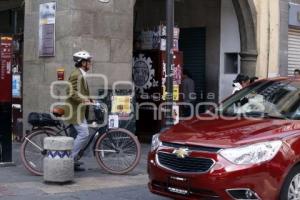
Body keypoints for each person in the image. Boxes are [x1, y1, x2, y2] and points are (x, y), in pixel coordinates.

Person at [65, 50, 93, 171]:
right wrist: (83, 100)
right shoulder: (76, 74)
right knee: (84, 133)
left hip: (80, 111)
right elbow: (71, 92)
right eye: (88, 61)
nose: (90, 64)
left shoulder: (81, 74)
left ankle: (74, 160)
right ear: (82, 63)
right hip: (75, 110)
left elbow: (83, 92)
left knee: (80, 133)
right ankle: (69, 160)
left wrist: (91, 100)